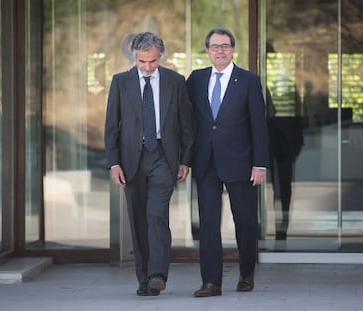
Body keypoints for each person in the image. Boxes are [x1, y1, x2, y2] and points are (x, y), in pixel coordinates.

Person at [104, 31, 194, 296]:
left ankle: (157, 274)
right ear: (135, 56)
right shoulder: (120, 82)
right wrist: (114, 164)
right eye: (142, 61)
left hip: (163, 159)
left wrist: (185, 160)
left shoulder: (175, 82)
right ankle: (143, 278)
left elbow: (186, 125)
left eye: (152, 62)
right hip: (132, 160)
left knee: (156, 215)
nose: (147, 67)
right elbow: (112, 126)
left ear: (160, 57)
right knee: (138, 219)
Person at [186, 27, 269, 297]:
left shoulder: (248, 81)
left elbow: (259, 125)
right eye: (214, 46)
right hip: (205, 161)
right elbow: (186, 121)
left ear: (233, 49)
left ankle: (246, 273)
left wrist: (260, 163)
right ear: (207, 51)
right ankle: (212, 282)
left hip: (241, 162)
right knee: (208, 223)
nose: (219, 50)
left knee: (244, 221)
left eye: (224, 46)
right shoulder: (195, 80)